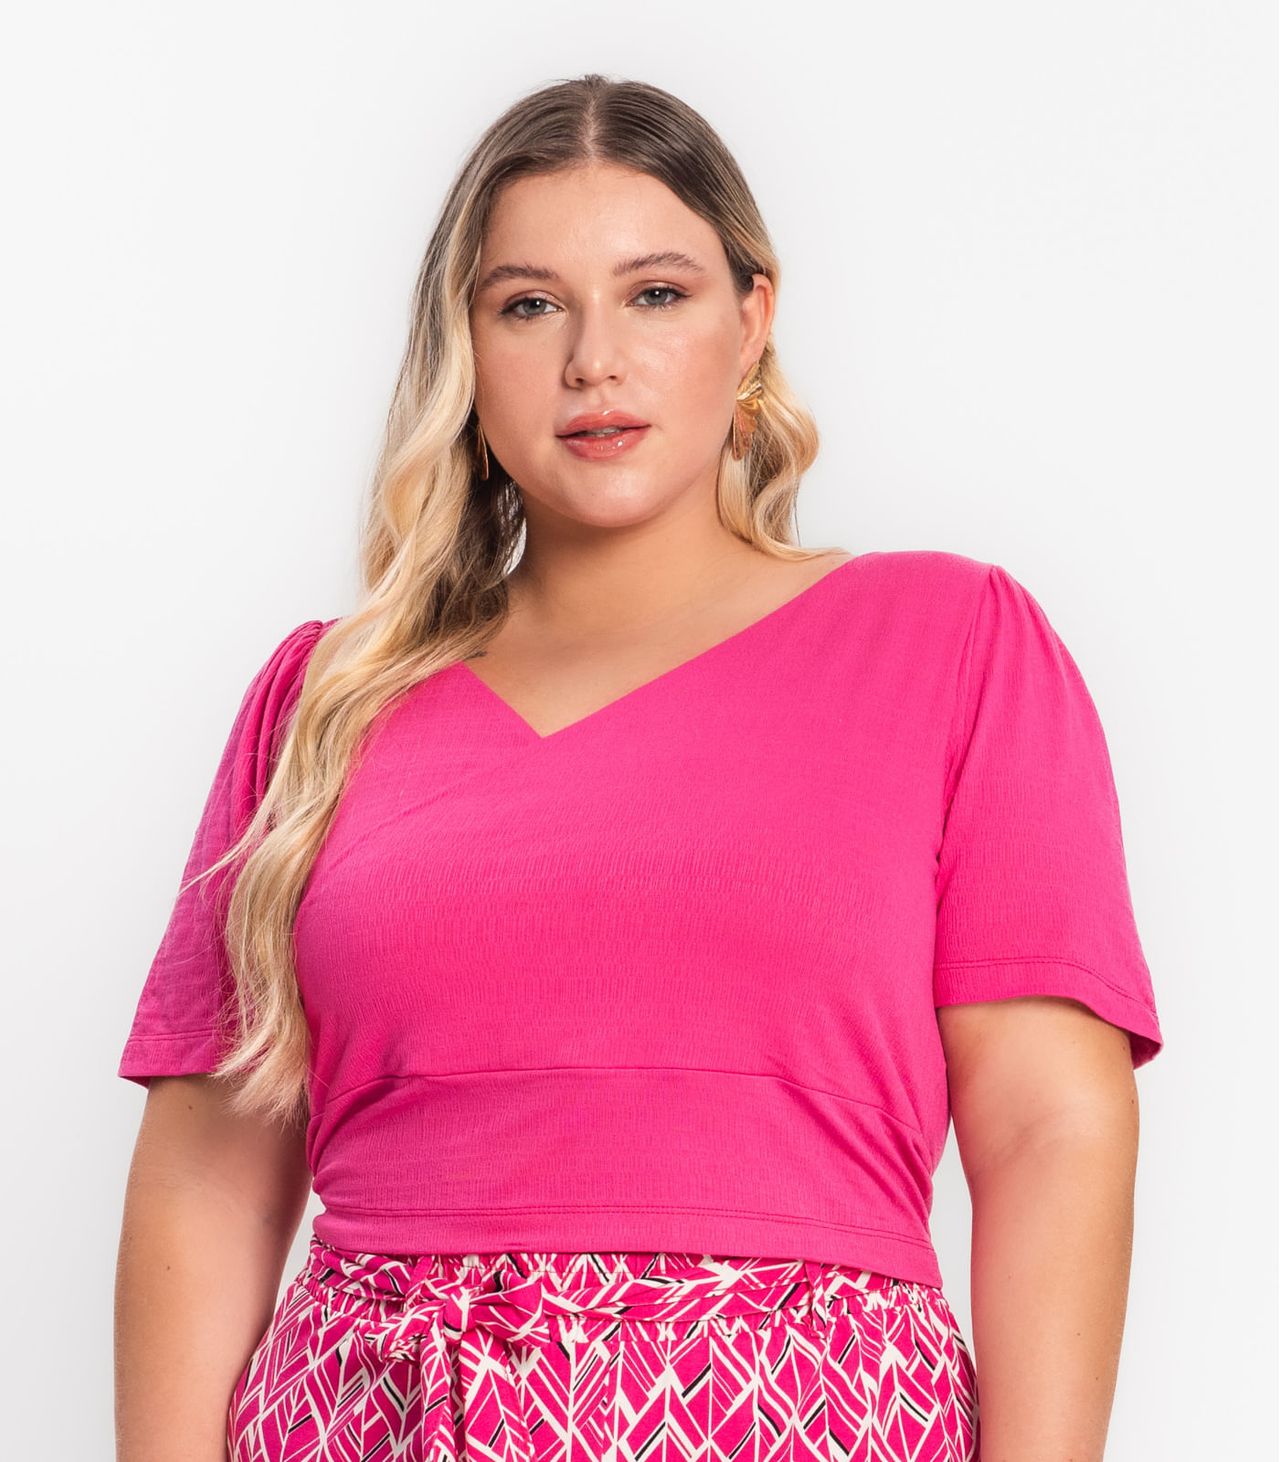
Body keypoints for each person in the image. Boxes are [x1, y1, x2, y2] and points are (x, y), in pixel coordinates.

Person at [114, 73, 1164, 1462]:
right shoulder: (325, 703)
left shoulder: (950, 645)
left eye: (656, 294)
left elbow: (1049, 1131)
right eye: (528, 305)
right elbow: (210, 1176)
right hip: (373, 1416)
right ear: (463, 345)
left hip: (804, 1420)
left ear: (753, 319)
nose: (593, 361)